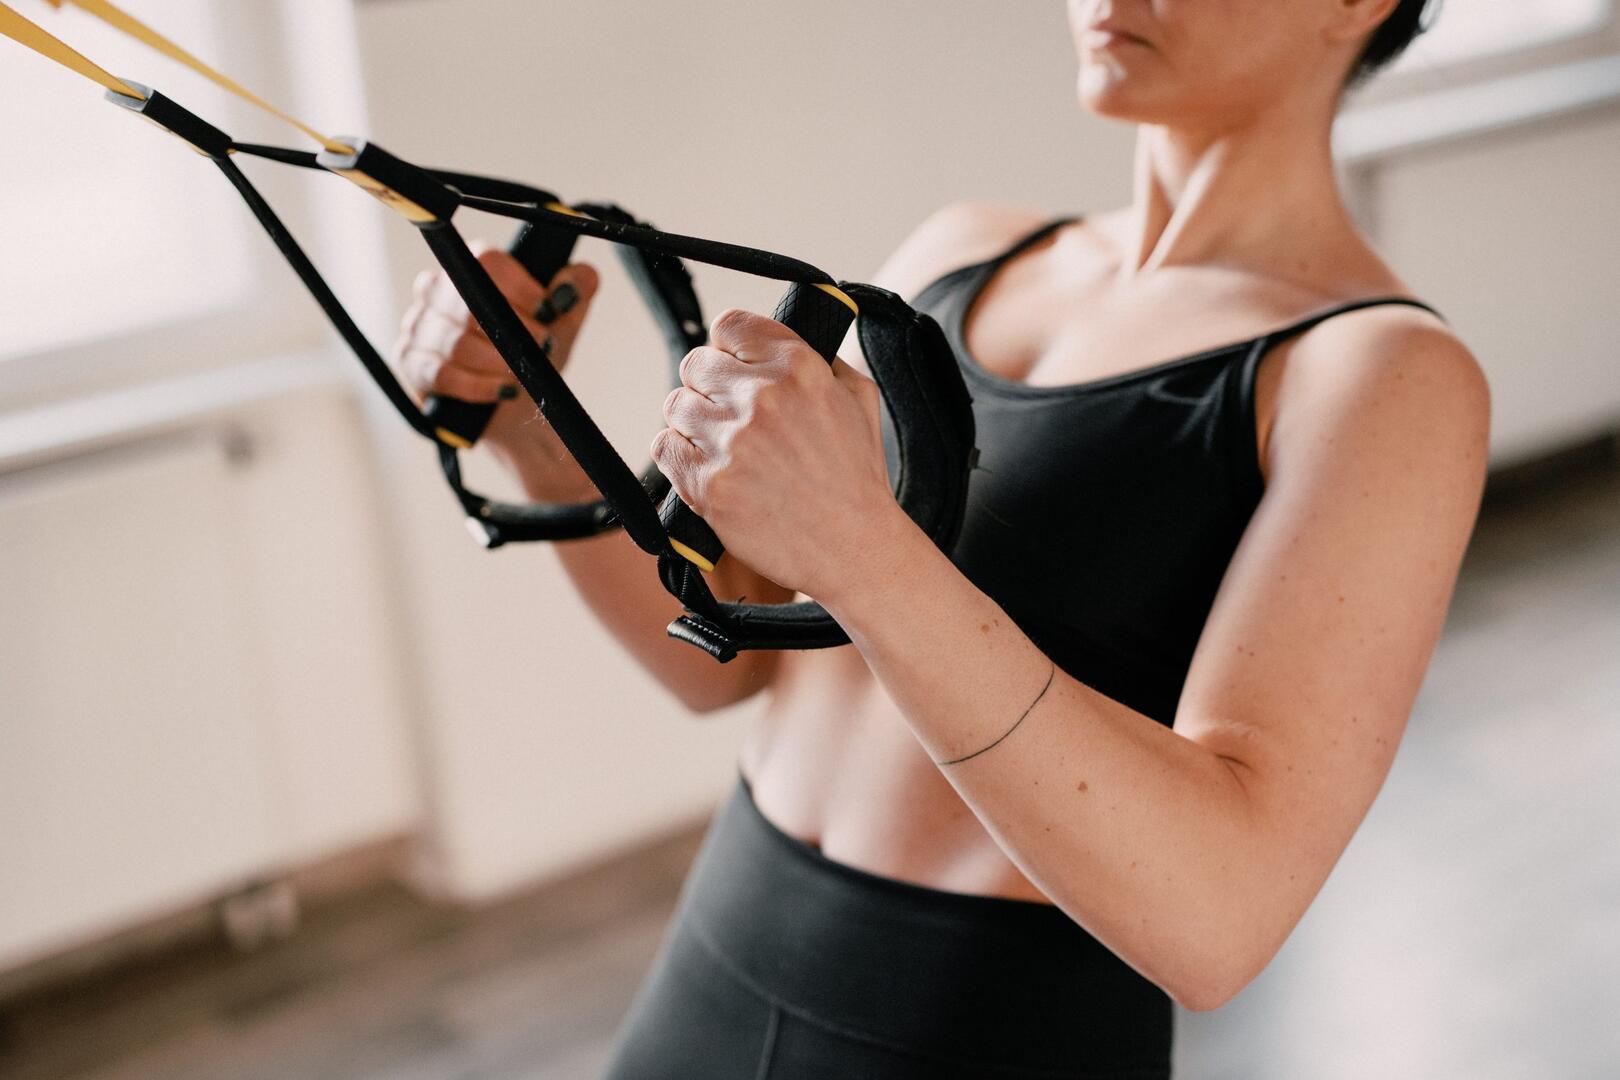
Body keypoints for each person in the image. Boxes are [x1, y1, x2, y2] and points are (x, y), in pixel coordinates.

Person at [393, 0, 1488, 1074]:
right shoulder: (961, 253)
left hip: (987, 1026)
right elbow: (722, 665)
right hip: (720, 952)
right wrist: (530, 425)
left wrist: (863, 552)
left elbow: (1220, 919)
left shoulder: (1384, 375)